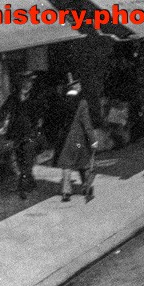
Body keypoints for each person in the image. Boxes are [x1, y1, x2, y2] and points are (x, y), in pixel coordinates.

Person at [0, 72, 43, 199]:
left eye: (29, 81)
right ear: (21, 82)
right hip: (16, 133)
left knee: (27, 159)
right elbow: (4, 110)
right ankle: (31, 181)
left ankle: (22, 186)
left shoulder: (34, 97)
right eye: (25, 81)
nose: (27, 84)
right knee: (19, 159)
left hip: (30, 133)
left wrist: (38, 123)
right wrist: (0, 119)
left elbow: (39, 113)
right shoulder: (13, 97)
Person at [54, 74, 97, 203]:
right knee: (83, 162)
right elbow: (87, 124)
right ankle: (86, 187)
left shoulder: (62, 101)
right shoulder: (82, 102)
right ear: (76, 86)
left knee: (67, 164)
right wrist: (93, 140)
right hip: (78, 140)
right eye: (79, 85)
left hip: (64, 139)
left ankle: (66, 192)